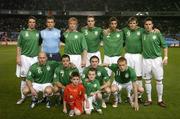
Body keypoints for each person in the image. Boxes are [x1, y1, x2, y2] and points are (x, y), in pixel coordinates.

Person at [142, 17, 168, 108]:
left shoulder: (157, 33)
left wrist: (165, 57)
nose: (148, 26)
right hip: (146, 60)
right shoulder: (142, 33)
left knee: (159, 80)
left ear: (152, 25)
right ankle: (149, 100)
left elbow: (165, 46)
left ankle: (160, 100)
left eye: (150, 24)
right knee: (147, 80)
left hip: (157, 60)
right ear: (144, 26)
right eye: (146, 24)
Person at [16, 16, 40, 105]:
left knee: (34, 78)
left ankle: (34, 97)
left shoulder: (38, 33)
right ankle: (22, 97)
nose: (32, 23)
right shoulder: (22, 33)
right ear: (28, 23)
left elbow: (40, 46)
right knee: (23, 78)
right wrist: (18, 57)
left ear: (35, 23)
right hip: (24, 57)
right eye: (30, 22)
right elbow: (19, 46)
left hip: (35, 58)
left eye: (33, 22)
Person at [122, 17, 144, 103]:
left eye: (134, 23)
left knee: (138, 76)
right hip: (128, 55)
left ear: (137, 24)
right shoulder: (125, 30)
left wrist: (155, 30)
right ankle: (128, 96)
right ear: (128, 24)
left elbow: (149, 31)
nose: (132, 25)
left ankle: (138, 96)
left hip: (138, 55)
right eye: (130, 23)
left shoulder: (141, 30)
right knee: (128, 75)